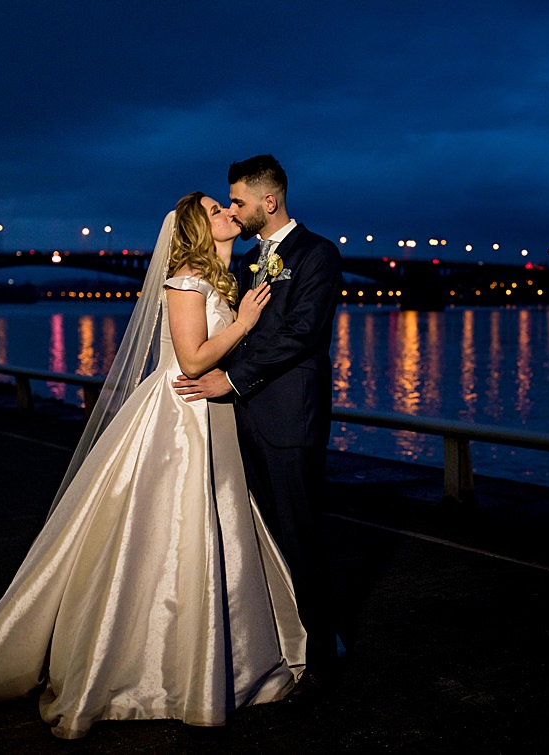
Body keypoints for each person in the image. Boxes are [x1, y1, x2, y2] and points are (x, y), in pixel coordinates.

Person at [0, 191, 305, 738]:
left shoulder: (213, 278)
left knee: (208, 528)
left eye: (228, 207)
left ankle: (201, 652)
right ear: (195, 229)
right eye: (215, 210)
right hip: (182, 416)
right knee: (175, 529)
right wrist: (245, 323)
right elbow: (189, 360)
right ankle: (151, 663)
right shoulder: (186, 278)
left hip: (207, 414)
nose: (229, 213)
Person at [174, 155, 346, 678]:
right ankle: (271, 638)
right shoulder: (245, 260)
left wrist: (230, 379)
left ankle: (320, 653)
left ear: (268, 202)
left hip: (290, 420)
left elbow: (302, 333)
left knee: (300, 535)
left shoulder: (317, 254)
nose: (234, 209)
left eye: (240, 202)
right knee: (256, 536)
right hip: (238, 421)